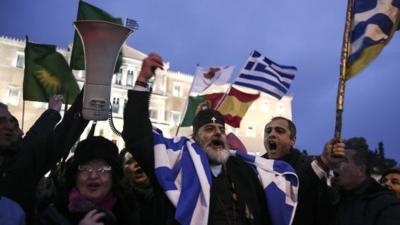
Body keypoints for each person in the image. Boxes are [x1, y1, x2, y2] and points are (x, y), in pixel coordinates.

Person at [123, 53, 298, 225]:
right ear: (195, 137)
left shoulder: (244, 170)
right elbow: (136, 134)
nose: (217, 133)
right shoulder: (175, 162)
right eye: (209, 128)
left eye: (221, 129)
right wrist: (142, 81)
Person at [0, 93, 88, 223]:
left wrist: (91, 90)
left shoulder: (24, 160)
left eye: (11, 120)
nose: (9, 126)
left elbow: (56, 136)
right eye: (0, 122)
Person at [263, 116, 344, 225]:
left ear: (292, 140)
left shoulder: (308, 165)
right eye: (268, 131)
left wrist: (324, 164)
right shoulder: (256, 166)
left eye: (279, 131)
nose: (271, 134)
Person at [37, 136, 137, 225]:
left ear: (113, 177)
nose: (93, 175)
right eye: (85, 168)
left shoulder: (131, 212)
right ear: (75, 176)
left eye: (102, 169)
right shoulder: (54, 215)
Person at [332, 138, 400, 225]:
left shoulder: (387, 203)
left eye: (343, 161)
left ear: (360, 169)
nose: (336, 165)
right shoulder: (335, 198)